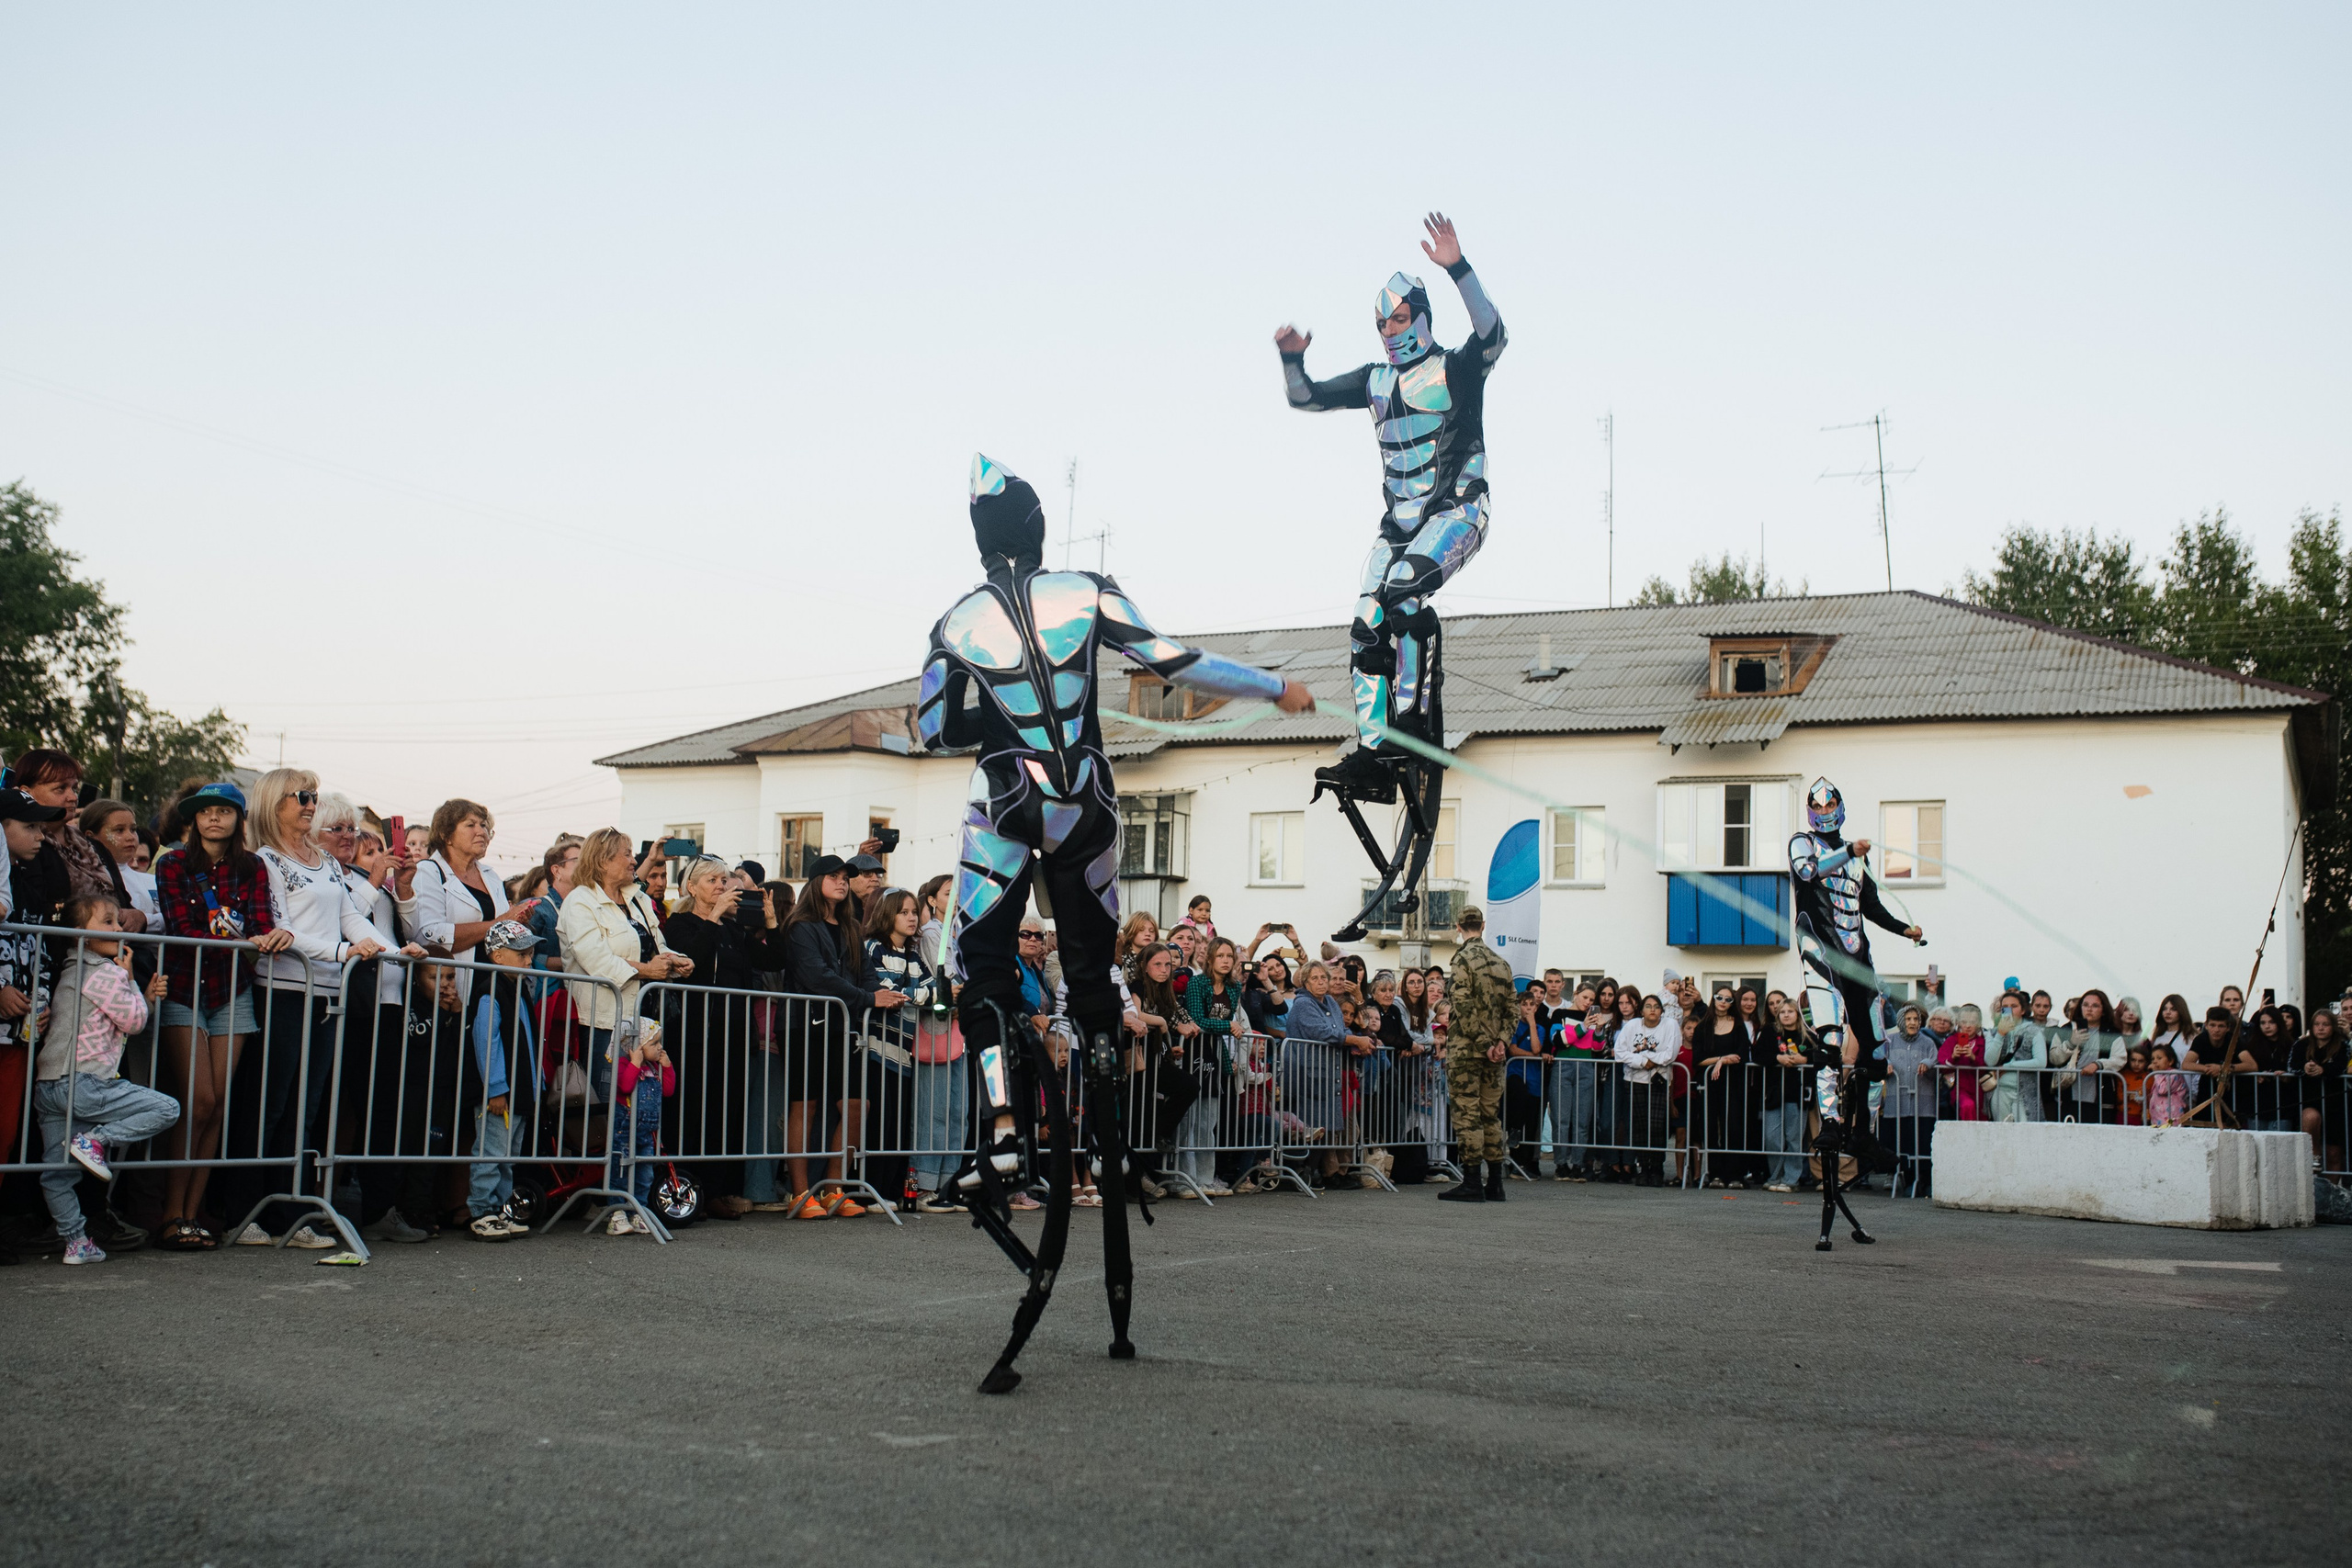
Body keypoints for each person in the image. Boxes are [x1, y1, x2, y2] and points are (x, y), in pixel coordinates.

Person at [914, 454, 1309, 1393]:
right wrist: (1273, 689)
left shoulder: (952, 619)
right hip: (1086, 793)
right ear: (1039, 528)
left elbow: (933, 729)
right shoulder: (1084, 591)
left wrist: (995, 722)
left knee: (975, 963)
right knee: (1090, 979)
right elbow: (1175, 662)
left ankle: (1005, 1121)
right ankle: (1096, 1096)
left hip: (1007, 795)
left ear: (979, 540)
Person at [1273, 212, 1506, 785]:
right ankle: (1374, 751)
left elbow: (1494, 333)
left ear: (1421, 319)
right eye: (1382, 322)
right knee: (1366, 618)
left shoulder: (1456, 367)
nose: (1390, 330)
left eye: (1399, 318)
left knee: (1403, 591)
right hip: (1400, 524)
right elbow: (1305, 399)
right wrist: (1291, 358)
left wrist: (1458, 268)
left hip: (1458, 508)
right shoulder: (1376, 380)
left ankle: (1417, 725)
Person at [242, 768, 409, 1246]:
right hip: (283, 990)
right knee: (269, 1105)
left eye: (313, 795)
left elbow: (349, 916)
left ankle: (290, 1213)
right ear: (276, 803)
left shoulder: (322, 859)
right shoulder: (266, 859)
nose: (311, 803)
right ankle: (247, 1210)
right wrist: (342, 952)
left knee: (307, 1109)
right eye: (302, 796)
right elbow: (281, 927)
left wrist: (394, 950)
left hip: (326, 995)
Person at [153, 783, 291, 1250]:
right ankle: (171, 1213)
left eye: (224, 812)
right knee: (199, 1101)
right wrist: (246, 942)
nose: (214, 819)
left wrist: (267, 937)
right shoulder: (171, 863)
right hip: (185, 987)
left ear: (238, 819)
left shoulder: (252, 867)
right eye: (205, 812)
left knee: (218, 1106)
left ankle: (193, 1215)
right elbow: (181, 927)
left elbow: (259, 923)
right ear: (193, 820)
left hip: (232, 990)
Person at [32, 895, 176, 1263]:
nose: (118, 929)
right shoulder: (106, 972)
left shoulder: (69, 970)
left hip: (49, 1086)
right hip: (86, 1083)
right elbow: (135, 1022)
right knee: (167, 1108)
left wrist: (141, 994)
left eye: (118, 922)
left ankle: (76, 1243)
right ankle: (95, 1140)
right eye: (108, 922)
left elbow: (126, 1012)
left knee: (56, 1175)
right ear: (79, 932)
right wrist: (131, 983)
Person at [558, 826, 691, 1179]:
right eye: (627, 853)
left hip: (642, 1021)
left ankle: (634, 1195)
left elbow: (656, 945)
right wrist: (648, 969)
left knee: (642, 1110)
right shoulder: (580, 901)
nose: (635, 860)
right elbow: (596, 959)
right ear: (602, 860)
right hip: (602, 1021)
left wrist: (676, 961)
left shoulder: (637, 898)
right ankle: (612, 1199)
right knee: (615, 1111)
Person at [662, 856, 787, 1220]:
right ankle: (690, 1185)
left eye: (724, 880)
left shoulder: (735, 931)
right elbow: (692, 962)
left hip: (735, 1033)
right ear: (691, 887)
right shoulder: (681, 924)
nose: (722, 886)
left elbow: (774, 961)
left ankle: (719, 1189)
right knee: (695, 1109)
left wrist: (771, 922)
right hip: (697, 1032)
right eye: (713, 880)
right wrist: (714, 917)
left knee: (728, 1111)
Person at [779, 856, 904, 1219]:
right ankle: (800, 1193)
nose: (842, 882)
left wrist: (884, 993)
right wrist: (869, 998)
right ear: (816, 881)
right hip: (804, 1025)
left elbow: (864, 973)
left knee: (855, 1105)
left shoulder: (850, 925)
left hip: (842, 1027)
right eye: (833, 877)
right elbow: (817, 977)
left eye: (845, 878)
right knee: (806, 1104)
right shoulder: (800, 925)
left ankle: (835, 1188)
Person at [1787, 778, 1923, 1068]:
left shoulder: (1857, 857)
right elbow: (1809, 871)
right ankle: (1831, 1115)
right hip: (1820, 950)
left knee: (1876, 1050)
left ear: (1840, 807)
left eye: (1830, 804)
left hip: (1857, 955)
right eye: (1817, 806)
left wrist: (1904, 929)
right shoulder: (1803, 842)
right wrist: (1850, 852)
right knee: (1830, 1042)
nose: (1824, 811)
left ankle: (1864, 1112)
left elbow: (1871, 908)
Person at [863, 886, 942, 1215]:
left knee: (898, 1123)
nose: (912, 918)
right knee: (879, 1122)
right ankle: (871, 1193)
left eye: (914, 912)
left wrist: (919, 994)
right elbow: (888, 993)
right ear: (888, 914)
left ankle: (893, 1191)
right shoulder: (873, 947)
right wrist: (919, 994)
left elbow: (934, 990)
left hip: (904, 1051)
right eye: (905, 912)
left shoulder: (912, 954)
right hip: (875, 1047)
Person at [464, 921, 543, 1241]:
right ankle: (481, 1210)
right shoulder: (491, 990)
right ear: (498, 956)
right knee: (491, 1151)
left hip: (518, 1091)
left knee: (507, 1154)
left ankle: (499, 1208)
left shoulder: (517, 989)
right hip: (500, 1094)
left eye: (531, 953)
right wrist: (495, 1089)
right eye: (521, 954)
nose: (529, 960)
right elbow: (487, 1041)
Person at [1440, 906, 1514, 1203]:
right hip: (1495, 1053)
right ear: (1482, 925)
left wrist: (1484, 1043)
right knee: (1490, 1114)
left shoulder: (1462, 960)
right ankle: (1495, 1183)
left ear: (1458, 927)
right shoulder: (1501, 963)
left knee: (1467, 1114)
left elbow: (1462, 1006)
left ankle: (1472, 1181)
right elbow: (1513, 1009)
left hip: (1467, 1051)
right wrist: (1501, 1042)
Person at [1177, 936, 1245, 1197]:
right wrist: (1227, 1026)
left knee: (1209, 1121)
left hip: (1216, 1056)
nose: (1226, 961)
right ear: (1211, 958)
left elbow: (1227, 1022)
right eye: (1221, 956)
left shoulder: (1234, 987)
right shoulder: (1197, 983)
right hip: (1193, 1051)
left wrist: (1228, 1027)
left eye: (1230, 956)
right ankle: (1185, 1180)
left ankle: (1205, 1179)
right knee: (1189, 1120)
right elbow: (1197, 1020)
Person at [1613, 974, 1690, 1188]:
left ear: (1662, 1010)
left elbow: (1670, 1053)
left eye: (1656, 1006)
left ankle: (1656, 1168)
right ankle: (1643, 1167)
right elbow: (1620, 1052)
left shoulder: (1670, 1026)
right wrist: (1641, 1061)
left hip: (1658, 1081)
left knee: (1657, 1126)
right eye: (1648, 1006)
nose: (1653, 1010)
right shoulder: (1632, 1026)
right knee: (1638, 1126)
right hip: (1635, 1081)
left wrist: (1650, 1061)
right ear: (1642, 1010)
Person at [604, 1017, 669, 1235]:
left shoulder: (654, 1069)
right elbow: (625, 1086)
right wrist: (635, 1063)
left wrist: (667, 1068)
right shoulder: (624, 1065)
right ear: (637, 1047)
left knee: (644, 1174)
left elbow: (668, 1090)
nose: (660, 1047)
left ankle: (638, 1210)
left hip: (645, 1131)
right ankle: (617, 1213)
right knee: (620, 1171)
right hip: (624, 1128)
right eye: (654, 1043)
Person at [1694, 985, 1758, 1189]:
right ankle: (1716, 1174)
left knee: (1733, 1127)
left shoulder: (1738, 1026)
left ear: (1733, 1003)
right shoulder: (1703, 1027)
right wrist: (1721, 1059)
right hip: (1710, 1085)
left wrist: (1722, 1062)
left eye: (1728, 999)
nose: (1723, 1002)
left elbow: (1740, 1056)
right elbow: (1698, 1059)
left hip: (1734, 1084)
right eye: (1719, 997)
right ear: (1713, 999)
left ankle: (1735, 1175)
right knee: (1711, 1128)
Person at [1881, 1003, 1939, 1199]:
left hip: (1922, 1103)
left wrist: (1927, 1064)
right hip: (1897, 1101)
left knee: (1923, 1142)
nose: (1913, 1023)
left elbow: (1935, 1060)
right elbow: (1880, 1059)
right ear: (1901, 1022)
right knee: (1903, 1142)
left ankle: (1924, 1180)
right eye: (1908, 1019)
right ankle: (1906, 1178)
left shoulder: (1927, 1042)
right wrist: (1886, 1065)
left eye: (1916, 1019)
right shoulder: (1890, 1041)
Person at [1758, 996, 1813, 1192]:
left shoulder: (1807, 1034)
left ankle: (1790, 1180)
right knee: (1772, 1137)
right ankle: (1775, 1176)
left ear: (1797, 1014)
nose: (1786, 1015)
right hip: (1774, 1092)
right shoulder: (1769, 1032)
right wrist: (1777, 1058)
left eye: (1790, 1011)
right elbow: (1758, 1055)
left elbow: (1820, 1056)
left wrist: (1804, 1059)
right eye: (1782, 1012)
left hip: (1798, 1093)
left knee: (1794, 1138)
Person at [2290, 1008, 2345, 1176]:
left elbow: (2342, 1065)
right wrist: (2305, 1068)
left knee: (2334, 1153)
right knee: (2310, 1117)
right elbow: (2292, 1065)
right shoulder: (2301, 1044)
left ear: (2333, 1027)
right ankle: (2314, 1153)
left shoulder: (2342, 1045)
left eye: (2325, 1024)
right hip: (2310, 1098)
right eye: (2317, 1024)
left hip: (2335, 1103)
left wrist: (2324, 1070)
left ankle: (2333, 1194)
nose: (2321, 1028)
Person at [1940, 1004, 1991, 1125]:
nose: (1968, 1026)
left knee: (1982, 1118)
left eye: (1972, 1022)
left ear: (1979, 1024)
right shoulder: (1952, 1041)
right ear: (1958, 1023)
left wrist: (1973, 1058)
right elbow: (1942, 1064)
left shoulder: (1983, 1042)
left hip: (1980, 1090)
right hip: (1960, 1088)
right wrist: (1953, 1057)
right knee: (1967, 1106)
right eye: (1964, 1021)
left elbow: (1988, 1065)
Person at [2145, 1041, 2194, 1127]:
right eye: (2153, 1059)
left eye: (2159, 1058)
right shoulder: (2160, 1075)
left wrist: (2156, 1073)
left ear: (2170, 1061)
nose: (2155, 1062)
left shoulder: (2173, 1074)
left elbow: (2162, 1090)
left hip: (2171, 1118)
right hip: (2158, 1117)